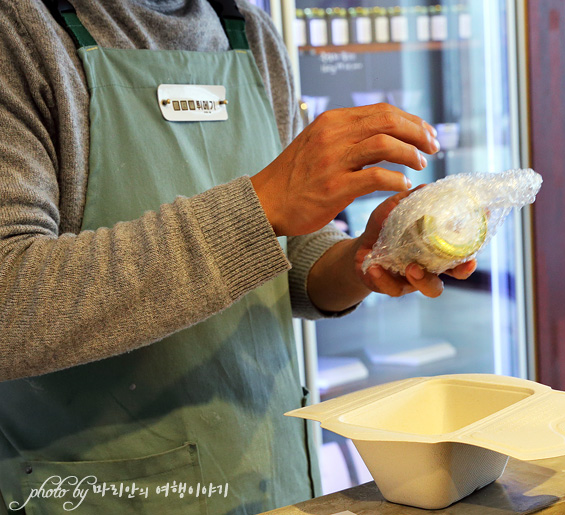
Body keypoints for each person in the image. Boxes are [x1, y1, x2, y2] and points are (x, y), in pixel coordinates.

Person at [0, 1, 475, 514]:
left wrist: (360, 259)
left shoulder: (248, 31)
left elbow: (285, 258)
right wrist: (262, 205)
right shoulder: (21, 31)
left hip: (274, 478)